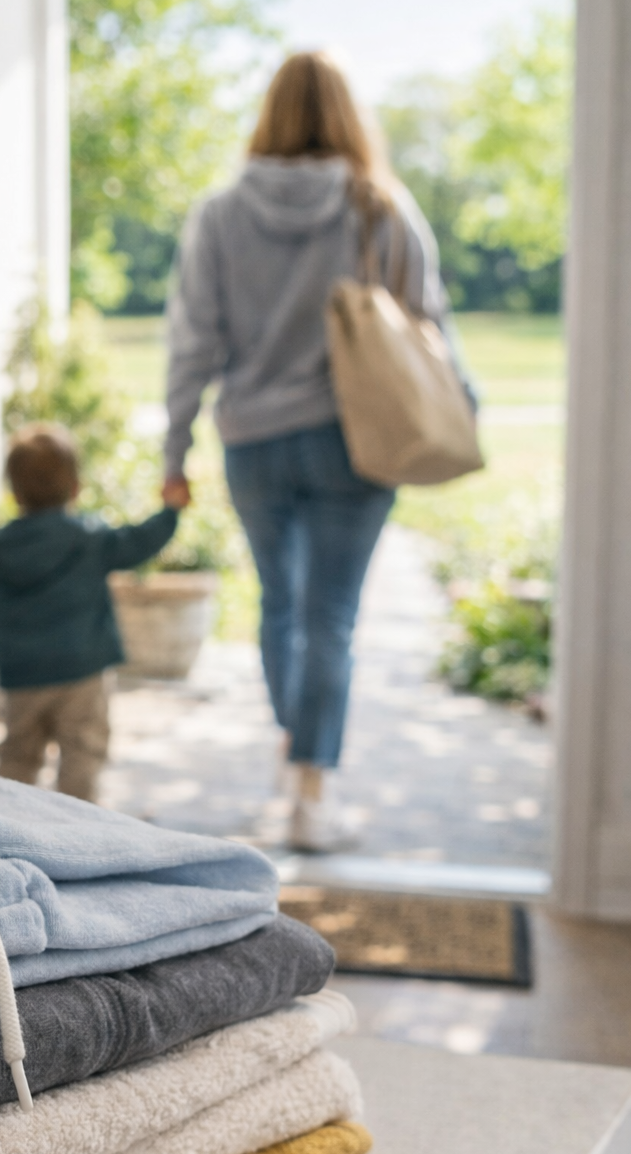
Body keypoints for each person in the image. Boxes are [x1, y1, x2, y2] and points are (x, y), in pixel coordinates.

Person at [163, 51, 465, 851]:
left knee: (279, 607)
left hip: (253, 442)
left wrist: (173, 447)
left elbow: (192, 342)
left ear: (267, 113)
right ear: (346, 115)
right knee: (331, 619)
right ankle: (310, 791)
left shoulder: (220, 216)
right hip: (355, 443)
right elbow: (428, 323)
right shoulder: (381, 211)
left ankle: (291, 752)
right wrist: (464, 407)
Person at [0, 423, 187, 802]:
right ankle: (77, 832)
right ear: (74, 486)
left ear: (14, 492)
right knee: (83, 754)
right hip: (82, 673)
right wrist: (170, 511)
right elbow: (139, 543)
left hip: (23, 675)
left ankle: (4, 826)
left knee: (18, 755)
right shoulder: (90, 541)